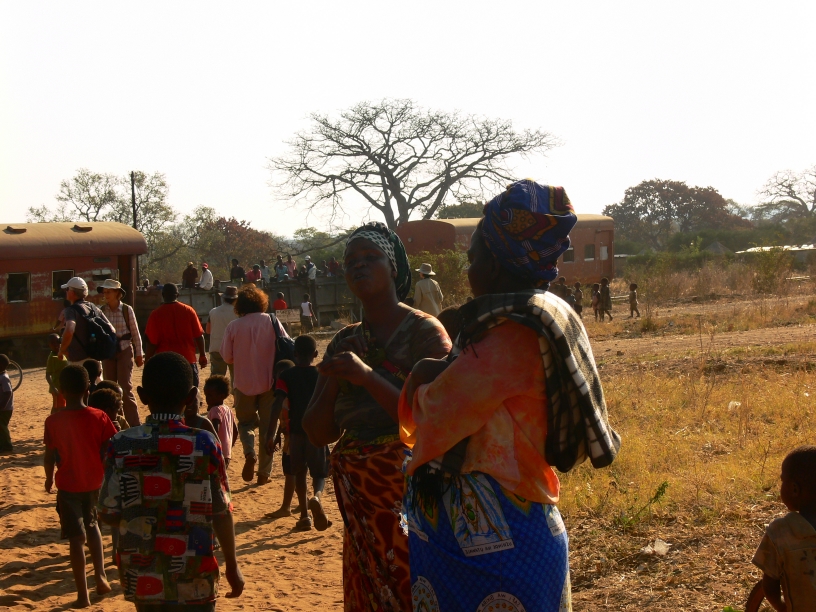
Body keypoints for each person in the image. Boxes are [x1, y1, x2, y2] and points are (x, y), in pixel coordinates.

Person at [400, 181, 620, 612]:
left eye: (474, 259)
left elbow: (438, 410)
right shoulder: (544, 314)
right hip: (519, 524)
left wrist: (422, 375)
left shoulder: (510, 335)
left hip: (494, 545)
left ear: (497, 265)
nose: (469, 270)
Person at [302, 221, 451, 611]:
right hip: (359, 493)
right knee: (369, 587)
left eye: (371, 257)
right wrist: (336, 377)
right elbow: (317, 433)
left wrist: (366, 377)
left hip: (413, 489)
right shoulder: (343, 341)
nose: (359, 265)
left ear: (394, 268)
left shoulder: (425, 332)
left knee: (415, 583)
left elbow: (436, 419)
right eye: (351, 260)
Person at [97, 352, 244, 609]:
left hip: (143, 577)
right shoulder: (205, 442)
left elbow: (108, 513)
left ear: (142, 396)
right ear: (190, 396)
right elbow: (221, 511)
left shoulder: (121, 444)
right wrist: (232, 565)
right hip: (195, 575)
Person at [44, 365, 116, 608]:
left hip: (68, 486)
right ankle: (101, 575)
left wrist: (47, 478)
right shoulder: (99, 416)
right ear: (88, 390)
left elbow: (49, 456)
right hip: (94, 482)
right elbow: (109, 448)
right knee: (93, 526)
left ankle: (83, 595)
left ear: (61, 391)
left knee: (76, 539)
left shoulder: (53, 421)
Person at [221, 285, 290, 486]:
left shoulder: (234, 326)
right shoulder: (271, 321)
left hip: (243, 383)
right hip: (270, 383)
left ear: (240, 305)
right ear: (261, 302)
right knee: (269, 427)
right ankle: (264, 473)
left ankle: (249, 453)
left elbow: (227, 357)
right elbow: (287, 343)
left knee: (245, 423)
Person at [266, 335, 330, 532]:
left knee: (299, 472)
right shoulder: (322, 374)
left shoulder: (286, 376)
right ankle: (317, 497)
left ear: (294, 354)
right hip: (316, 431)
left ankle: (304, 516)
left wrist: (270, 435)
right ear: (315, 354)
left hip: (295, 432)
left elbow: (277, 404)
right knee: (319, 473)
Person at [753, 445, 816, 611]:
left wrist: (782, 608)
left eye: (782, 481)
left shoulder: (780, 533)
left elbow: (770, 587)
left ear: (794, 489)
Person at [98, 279, 144, 427]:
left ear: (117, 293)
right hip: (108, 352)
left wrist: (139, 353)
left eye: (109, 292)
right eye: (104, 292)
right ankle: (115, 423)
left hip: (124, 350)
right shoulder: (101, 311)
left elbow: (135, 333)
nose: (106, 295)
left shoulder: (126, 310)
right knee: (110, 389)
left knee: (125, 387)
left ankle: (134, 425)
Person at [144, 283, 208, 388]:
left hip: (165, 363)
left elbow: (152, 342)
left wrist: (147, 362)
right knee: (191, 394)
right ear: (177, 295)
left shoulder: (156, 314)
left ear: (163, 295)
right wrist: (202, 355)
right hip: (187, 360)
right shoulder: (189, 311)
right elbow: (199, 336)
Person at [56, 277, 115, 366]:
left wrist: (62, 350)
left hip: (78, 362)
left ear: (72, 292)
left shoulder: (70, 310)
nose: (66, 292)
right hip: (95, 361)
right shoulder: (93, 307)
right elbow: (112, 329)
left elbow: (69, 330)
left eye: (67, 289)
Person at [264, 360, 297, 519]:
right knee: (295, 471)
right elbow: (283, 420)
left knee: (290, 472)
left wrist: (271, 436)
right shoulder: (287, 394)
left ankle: (286, 507)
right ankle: (303, 502)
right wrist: (277, 435)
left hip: (293, 439)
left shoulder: (287, 397)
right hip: (290, 438)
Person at [205, 375, 238, 468]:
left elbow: (214, 430)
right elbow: (235, 431)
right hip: (226, 453)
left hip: (216, 452)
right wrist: (229, 447)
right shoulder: (228, 409)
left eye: (210, 395)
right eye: (206, 395)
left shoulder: (215, 410)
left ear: (221, 396)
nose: (207, 398)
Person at [207, 285, 238, 381]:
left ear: (224, 298)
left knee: (217, 378)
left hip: (216, 347)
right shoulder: (239, 313)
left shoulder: (213, 311)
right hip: (234, 349)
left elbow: (208, 330)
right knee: (236, 378)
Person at [46, 333, 68, 412]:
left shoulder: (63, 353)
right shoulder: (52, 357)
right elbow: (48, 375)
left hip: (64, 386)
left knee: (59, 407)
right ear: (49, 345)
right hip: (57, 387)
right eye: (52, 343)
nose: (56, 345)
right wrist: (53, 387)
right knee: (59, 408)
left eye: (57, 342)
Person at [0, 354, 14, 453]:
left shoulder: (4, 377)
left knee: (2, 426)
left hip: (5, 408)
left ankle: (7, 446)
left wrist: (2, 405)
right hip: (3, 407)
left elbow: (8, 392)